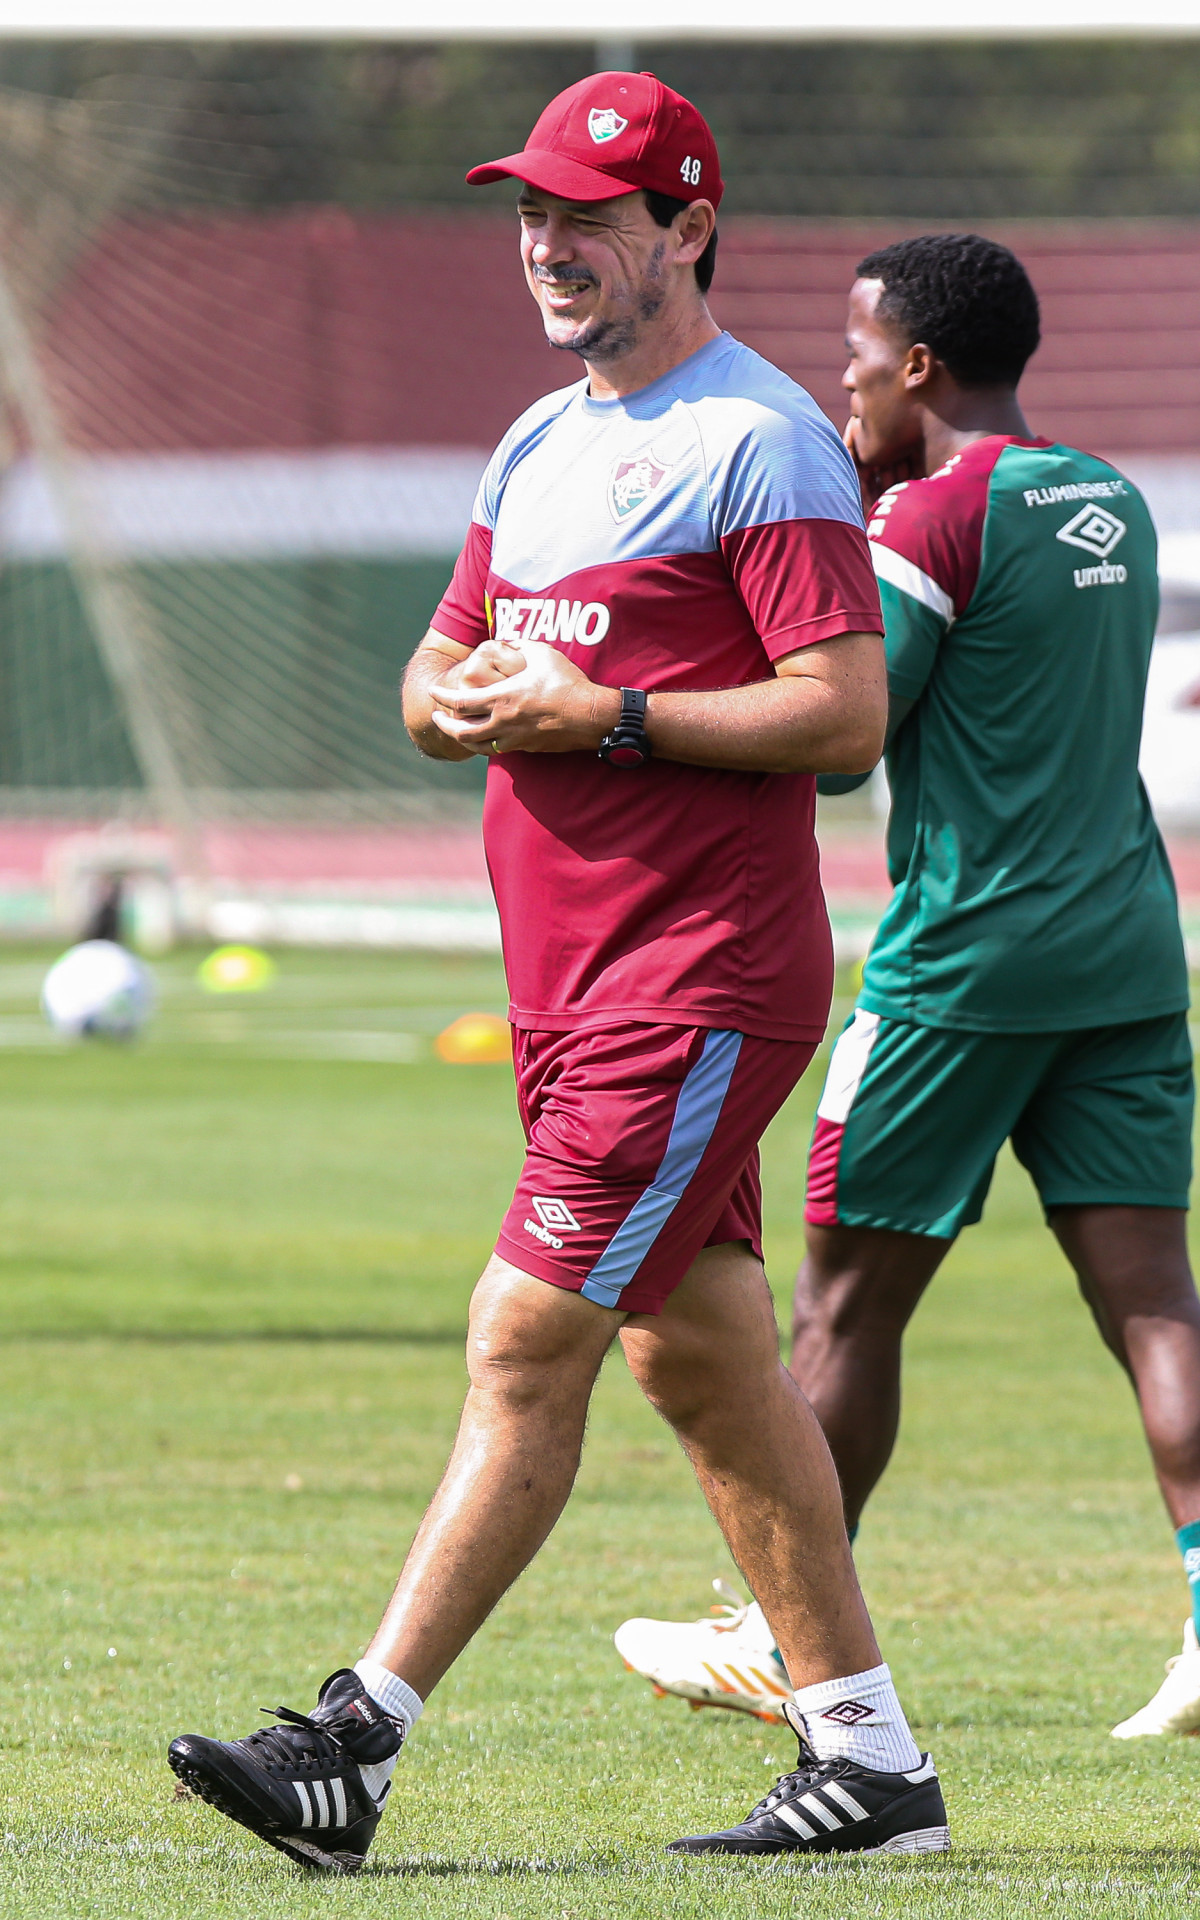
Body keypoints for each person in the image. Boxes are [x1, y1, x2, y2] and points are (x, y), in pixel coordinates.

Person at [165, 75, 949, 1870]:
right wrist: (449, 702)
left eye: (589, 213)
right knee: (705, 1368)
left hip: (693, 982)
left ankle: (352, 1748)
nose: (548, 242)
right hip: (574, 988)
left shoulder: (761, 439)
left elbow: (843, 714)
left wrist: (610, 714)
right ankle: (871, 1763)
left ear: (687, 230)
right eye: (531, 212)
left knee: (525, 1340)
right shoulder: (537, 443)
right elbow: (438, 676)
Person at [614, 232, 1199, 1744]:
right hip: (1131, 947)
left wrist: (638, 721)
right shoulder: (1110, 499)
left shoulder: (929, 521)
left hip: (959, 963)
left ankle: (775, 1628)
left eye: (859, 358)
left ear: (920, 366)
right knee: (1151, 1300)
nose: (845, 384)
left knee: (846, 1306)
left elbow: (848, 730)